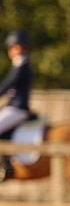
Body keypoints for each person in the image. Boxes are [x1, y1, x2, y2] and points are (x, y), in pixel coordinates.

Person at [0, 30, 35, 181]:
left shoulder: (22, 65)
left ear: (23, 48)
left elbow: (7, 86)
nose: (12, 50)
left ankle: (5, 166)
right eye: (11, 47)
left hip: (18, 108)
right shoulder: (18, 65)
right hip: (12, 106)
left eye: (15, 47)